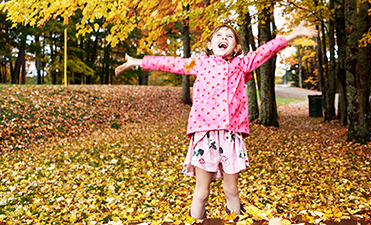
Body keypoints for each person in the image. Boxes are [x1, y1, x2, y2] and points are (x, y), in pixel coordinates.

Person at [115, 22, 317, 219]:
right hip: (205, 134)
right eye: (219, 36)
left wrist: (293, 34)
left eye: (229, 36)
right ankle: (195, 218)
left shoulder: (241, 64)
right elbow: (171, 63)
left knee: (231, 190)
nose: (224, 38)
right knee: (202, 192)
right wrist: (138, 62)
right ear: (210, 45)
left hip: (231, 135)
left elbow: (265, 51)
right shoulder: (200, 63)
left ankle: (236, 218)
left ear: (236, 47)